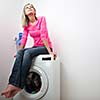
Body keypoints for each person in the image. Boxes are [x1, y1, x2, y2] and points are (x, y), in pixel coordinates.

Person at [1, 3, 56, 98]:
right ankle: (12, 84)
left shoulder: (41, 19)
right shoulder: (26, 25)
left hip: (45, 47)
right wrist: (19, 52)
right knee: (21, 52)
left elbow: (43, 35)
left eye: (31, 7)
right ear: (25, 13)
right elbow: (24, 39)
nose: (29, 8)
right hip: (36, 47)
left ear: (34, 11)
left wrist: (50, 52)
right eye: (27, 8)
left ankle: (20, 85)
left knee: (28, 52)